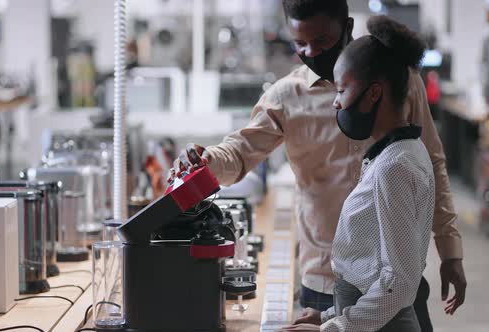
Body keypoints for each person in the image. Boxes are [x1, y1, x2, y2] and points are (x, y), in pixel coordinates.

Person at [170, 1, 466, 330]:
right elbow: (239, 152)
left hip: (395, 282)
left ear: (348, 28)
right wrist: (204, 160)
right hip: (325, 285)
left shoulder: (399, 82)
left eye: (322, 41)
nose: (311, 53)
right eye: (300, 44)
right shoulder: (286, 97)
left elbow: (433, 162)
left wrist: (449, 248)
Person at [284, 15, 435, 332]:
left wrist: (333, 329)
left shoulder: (395, 166)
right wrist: (329, 316)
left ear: (373, 93)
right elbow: (374, 271)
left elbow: (399, 283)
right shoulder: (399, 152)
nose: (336, 103)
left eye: (341, 90)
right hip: (370, 318)